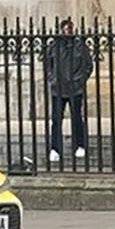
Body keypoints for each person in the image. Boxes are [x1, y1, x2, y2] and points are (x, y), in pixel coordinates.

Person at [45, 18, 94, 162]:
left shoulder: (80, 46)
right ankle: (55, 148)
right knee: (56, 120)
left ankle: (79, 145)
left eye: (69, 29)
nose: (67, 32)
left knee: (77, 118)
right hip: (58, 88)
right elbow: (48, 65)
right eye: (65, 29)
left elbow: (88, 65)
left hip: (75, 88)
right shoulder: (54, 46)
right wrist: (52, 79)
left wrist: (79, 80)